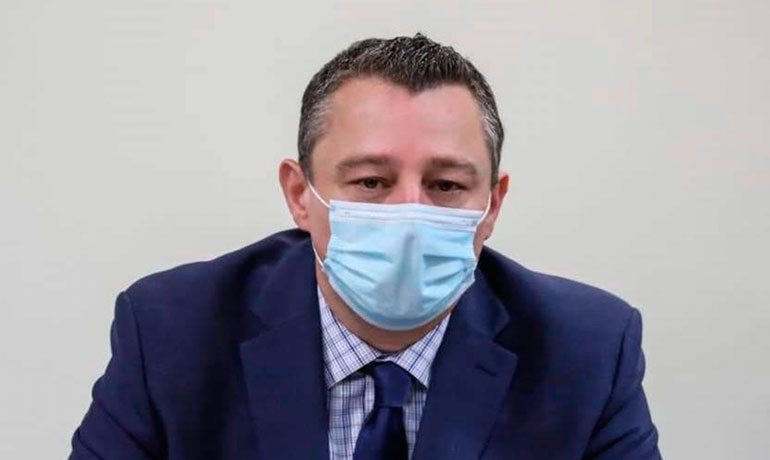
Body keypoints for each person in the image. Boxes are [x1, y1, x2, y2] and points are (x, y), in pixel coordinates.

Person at [69, 33, 661, 459]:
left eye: (446, 186)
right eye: (371, 182)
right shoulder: (172, 332)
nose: (409, 214)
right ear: (300, 195)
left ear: (492, 205)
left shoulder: (587, 350)